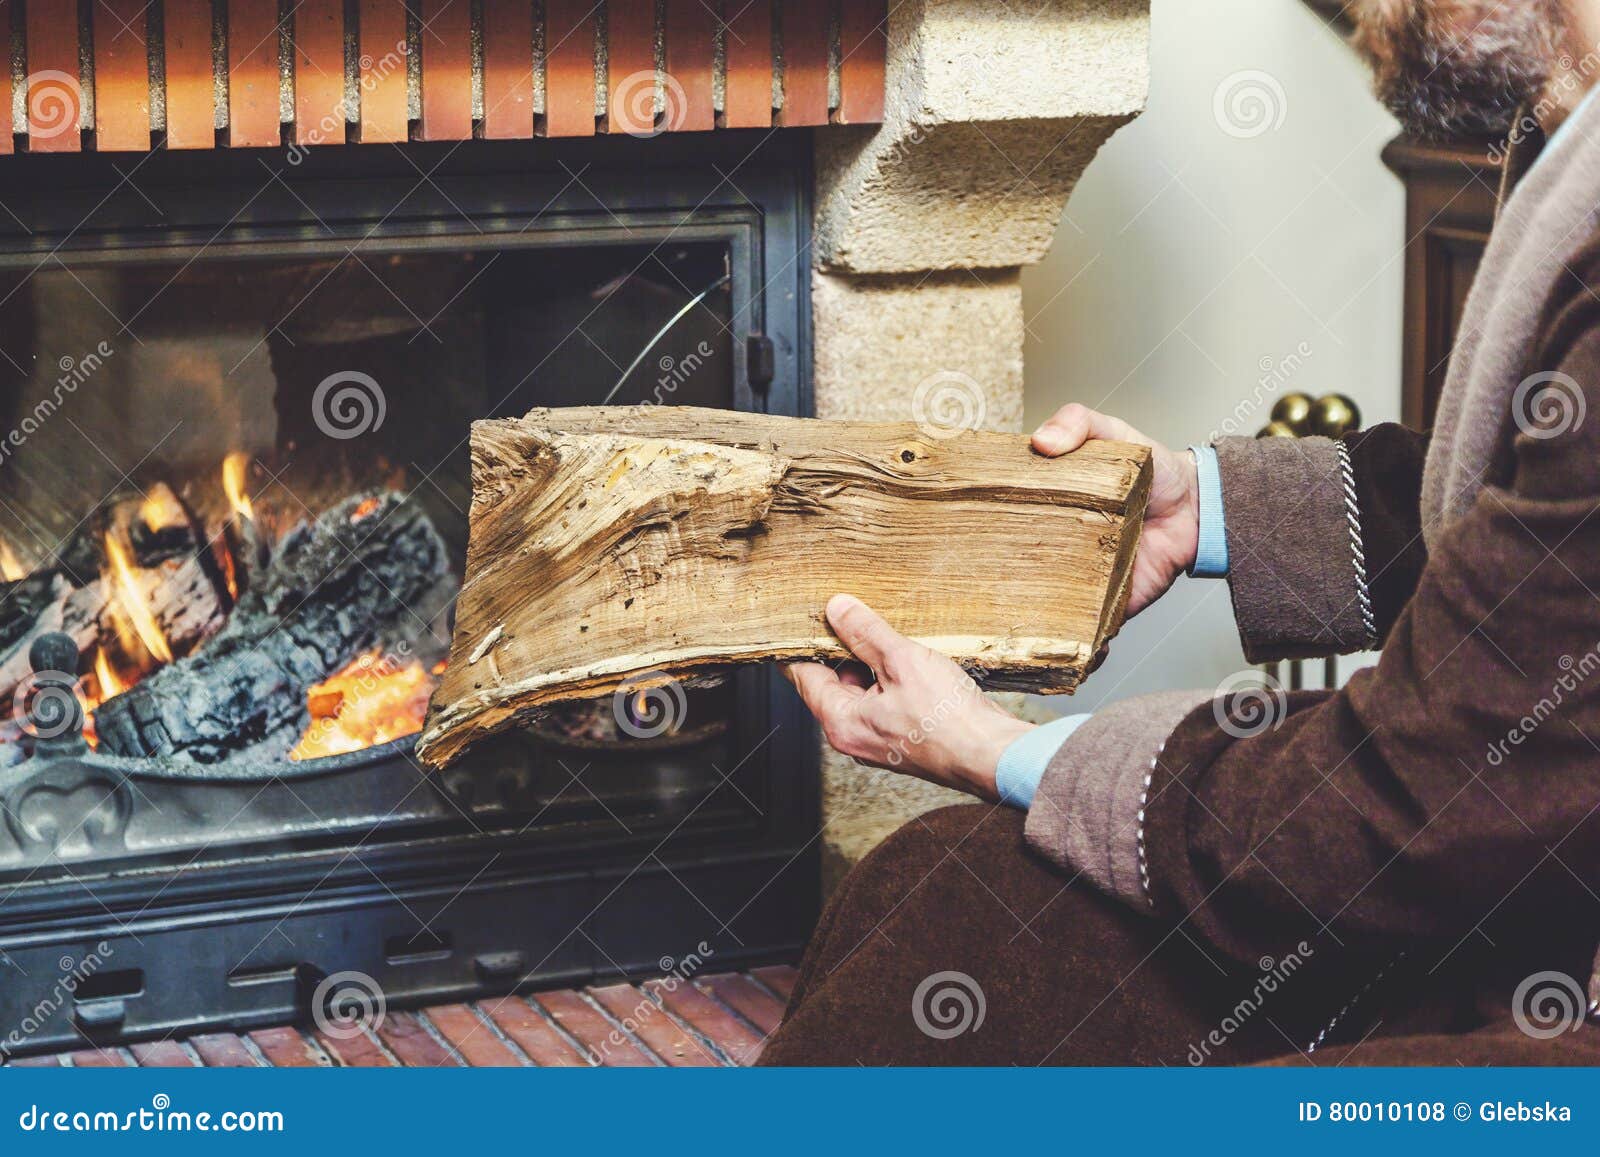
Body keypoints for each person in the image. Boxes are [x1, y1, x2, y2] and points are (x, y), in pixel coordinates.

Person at [758, 0, 1600, 1066]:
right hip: (1516, 870)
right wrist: (1206, 502)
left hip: (1555, 965)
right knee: (942, 895)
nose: (1348, 15)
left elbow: (1422, 796)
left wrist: (1002, 750)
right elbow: (1531, 530)